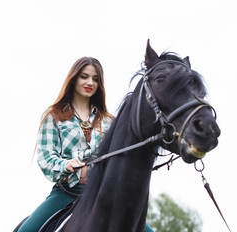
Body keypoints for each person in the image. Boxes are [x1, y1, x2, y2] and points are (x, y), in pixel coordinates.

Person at [17, 57, 154, 232]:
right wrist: (66, 165)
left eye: (96, 79)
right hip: (67, 192)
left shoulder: (109, 121)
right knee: (26, 231)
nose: (90, 82)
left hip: (104, 195)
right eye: (84, 76)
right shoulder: (53, 116)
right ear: (73, 79)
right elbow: (46, 159)